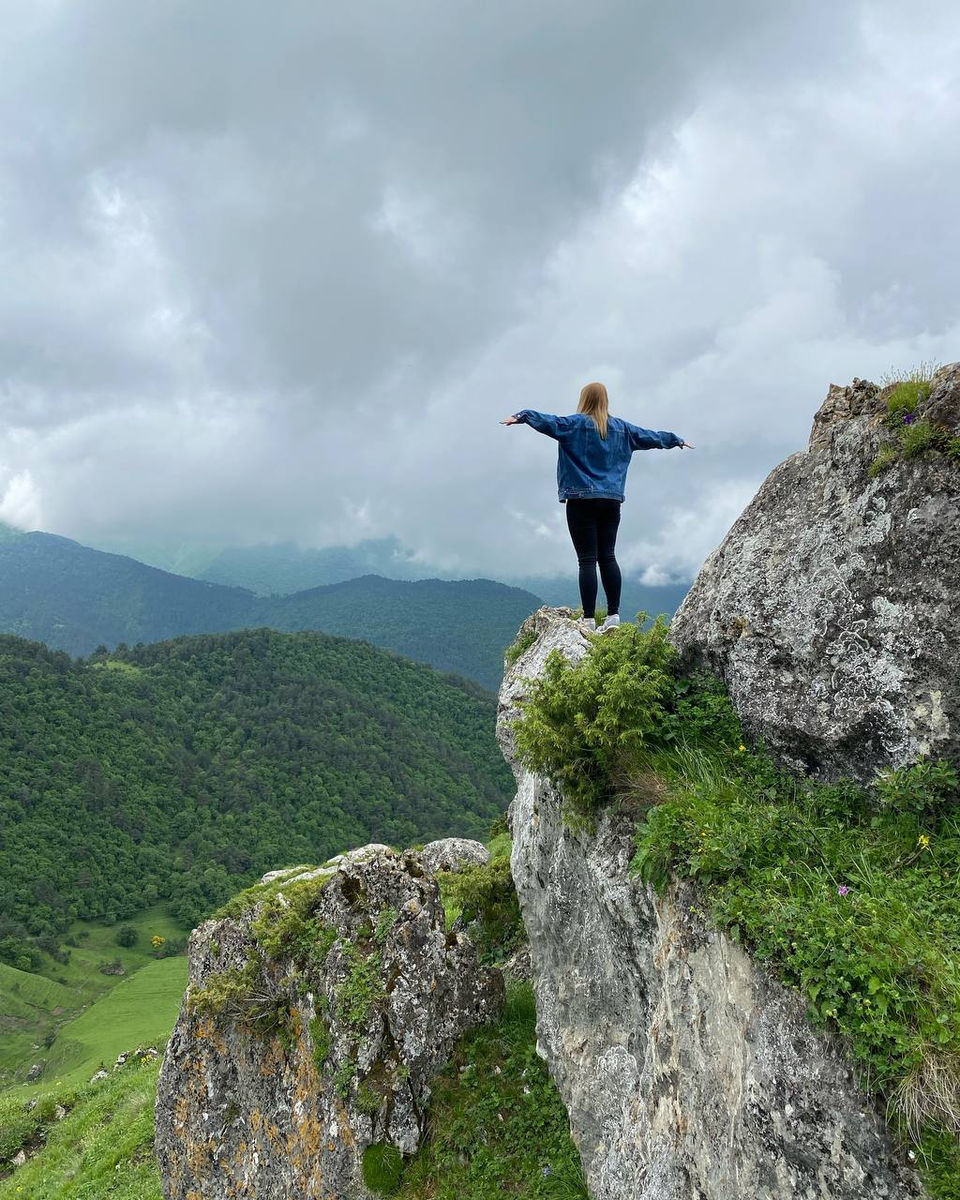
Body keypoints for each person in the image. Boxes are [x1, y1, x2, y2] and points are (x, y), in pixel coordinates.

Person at [501, 382, 692, 632]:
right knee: (608, 556)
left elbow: (547, 421)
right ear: (606, 401)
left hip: (580, 500)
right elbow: (652, 436)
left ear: (584, 400)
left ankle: (589, 619)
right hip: (611, 500)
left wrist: (521, 416)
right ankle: (613, 616)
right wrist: (676, 440)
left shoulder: (573, 425)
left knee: (587, 560)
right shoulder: (623, 429)